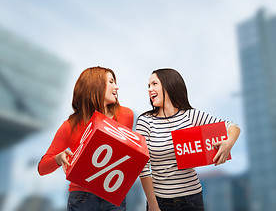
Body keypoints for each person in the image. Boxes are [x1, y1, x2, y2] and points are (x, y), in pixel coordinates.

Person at [136, 68, 240, 211]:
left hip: (192, 199)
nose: (149, 89)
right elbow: (143, 167)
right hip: (160, 202)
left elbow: (232, 126)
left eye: (154, 84)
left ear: (169, 85)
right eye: (148, 86)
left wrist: (229, 143)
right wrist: (153, 205)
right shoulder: (145, 121)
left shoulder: (190, 116)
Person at [38, 66, 134, 211]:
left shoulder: (125, 115)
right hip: (82, 197)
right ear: (96, 85)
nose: (117, 87)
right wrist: (59, 158)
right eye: (111, 82)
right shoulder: (70, 126)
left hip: (113, 194)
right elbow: (42, 168)